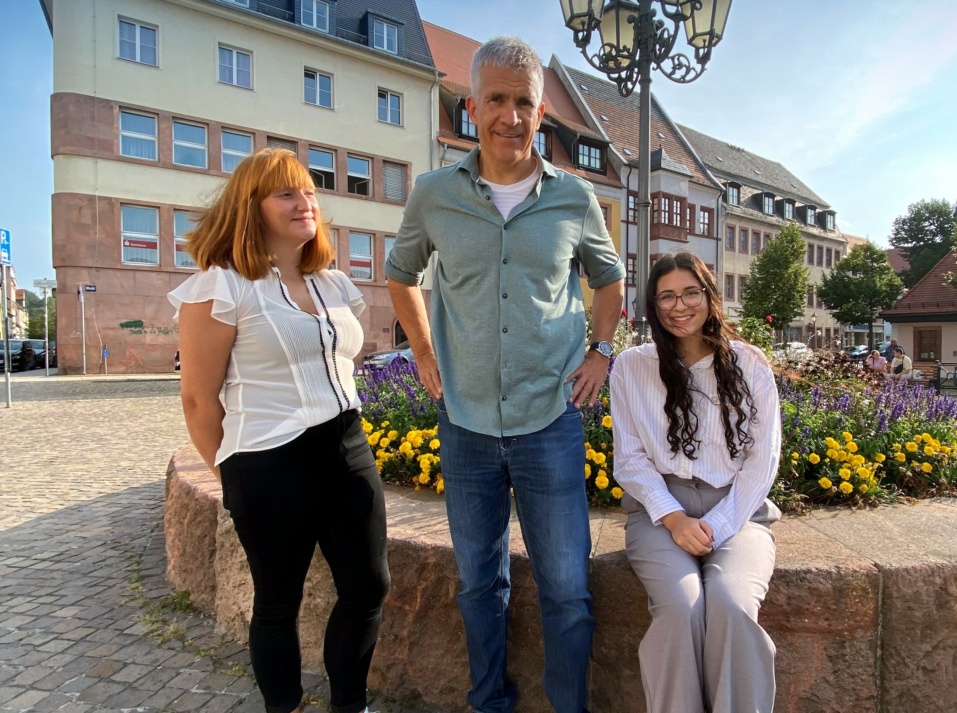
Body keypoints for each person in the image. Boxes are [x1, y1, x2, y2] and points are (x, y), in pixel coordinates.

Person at [385, 36, 624, 713]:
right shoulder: (433, 195)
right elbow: (401, 275)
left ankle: (567, 706)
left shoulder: (574, 198)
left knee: (567, 589)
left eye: (524, 103)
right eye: (497, 100)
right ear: (472, 105)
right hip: (464, 424)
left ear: (541, 112)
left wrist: (602, 350)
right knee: (477, 585)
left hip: (550, 421)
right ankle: (490, 701)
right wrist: (424, 354)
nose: (510, 117)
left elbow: (609, 280)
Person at [168, 149, 389, 713]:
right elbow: (197, 398)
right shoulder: (223, 286)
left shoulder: (333, 284)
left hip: (346, 446)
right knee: (276, 603)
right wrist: (232, 473)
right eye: (286, 193)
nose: (305, 202)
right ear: (252, 206)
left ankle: (350, 704)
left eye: (309, 192)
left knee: (368, 588)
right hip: (268, 460)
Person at [609, 251, 781, 713]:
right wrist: (674, 518)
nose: (678, 305)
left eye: (690, 292)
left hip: (739, 510)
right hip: (660, 508)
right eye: (666, 296)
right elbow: (629, 458)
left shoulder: (750, 365)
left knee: (732, 605)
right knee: (681, 608)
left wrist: (718, 526)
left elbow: (762, 461)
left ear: (709, 296)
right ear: (652, 304)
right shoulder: (631, 366)